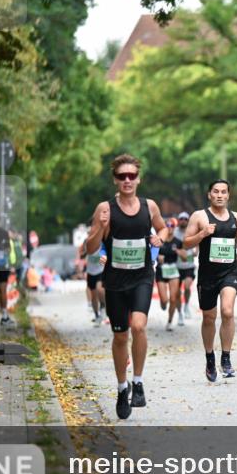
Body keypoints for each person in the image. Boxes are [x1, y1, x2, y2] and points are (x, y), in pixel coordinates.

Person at [85, 153, 170, 420]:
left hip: (142, 276)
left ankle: (139, 381)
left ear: (138, 179)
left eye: (132, 175)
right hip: (115, 281)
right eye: (122, 176)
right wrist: (100, 227)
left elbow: (163, 229)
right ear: (115, 180)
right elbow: (89, 248)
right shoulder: (105, 209)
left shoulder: (149, 206)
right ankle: (123, 387)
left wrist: (160, 239)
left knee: (139, 326)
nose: (127, 180)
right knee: (120, 336)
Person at [183, 179, 237, 382]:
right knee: (209, 317)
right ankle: (210, 357)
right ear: (209, 195)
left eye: (223, 192)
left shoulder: (236, 217)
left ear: (228, 195)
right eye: (216, 191)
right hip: (207, 275)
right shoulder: (199, 216)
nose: (220, 195)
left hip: (229, 271)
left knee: (227, 311)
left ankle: (226, 358)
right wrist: (203, 233)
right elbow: (186, 243)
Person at [156, 217, 184, 331]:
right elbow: (152, 255)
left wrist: (178, 251)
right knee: (164, 300)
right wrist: (158, 257)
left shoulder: (178, 242)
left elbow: (185, 257)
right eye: (167, 225)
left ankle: (169, 321)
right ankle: (163, 304)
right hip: (161, 271)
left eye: (172, 226)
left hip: (173, 271)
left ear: (175, 227)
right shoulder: (159, 240)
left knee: (173, 298)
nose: (170, 228)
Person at [175, 212, 197, 319]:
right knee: (177, 292)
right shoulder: (174, 232)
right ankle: (179, 314)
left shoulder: (192, 232)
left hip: (189, 265)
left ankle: (186, 305)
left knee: (187, 287)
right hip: (176, 266)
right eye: (181, 218)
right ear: (178, 220)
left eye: (185, 219)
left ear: (188, 221)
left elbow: (198, 242)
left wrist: (196, 251)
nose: (183, 220)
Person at [81, 241, 106, 326]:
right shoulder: (87, 242)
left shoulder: (102, 241)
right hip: (91, 272)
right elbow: (82, 255)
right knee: (93, 295)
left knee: (99, 289)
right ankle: (96, 315)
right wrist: (86, 252)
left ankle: (103, 306)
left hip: (100, 270)